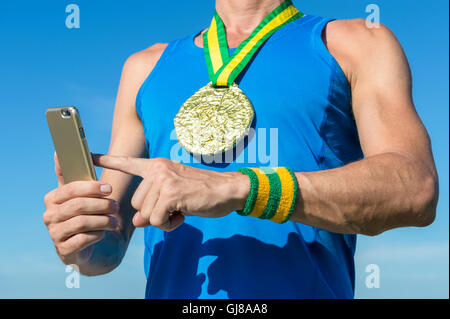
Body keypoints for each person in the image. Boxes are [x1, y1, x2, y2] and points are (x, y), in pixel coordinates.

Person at [42, 0, 438, 298]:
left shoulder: (356, 43)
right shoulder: (144, 68)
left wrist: (239, 189)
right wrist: (79, 239)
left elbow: (414, 189)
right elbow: (107, 249)